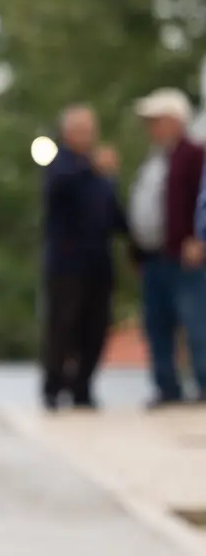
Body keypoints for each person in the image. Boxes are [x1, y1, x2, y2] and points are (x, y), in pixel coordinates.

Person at [40, 105, 130, 411]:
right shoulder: (62, 165)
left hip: (98, 262)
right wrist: (92, 166)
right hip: (67, 264)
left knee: (95, 327)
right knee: (63, 327)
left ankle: (83, 387)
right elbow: (58, 188)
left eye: (90, 130)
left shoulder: (101, 174)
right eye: (79, 130)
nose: (86, 136)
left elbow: (113, 212)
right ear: (66, 133)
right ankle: (53, 387)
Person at [129, 88, 206, 407]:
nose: (150, 127)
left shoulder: (195, 155)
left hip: (185, 256)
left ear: (174, 120)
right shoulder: (155, 158)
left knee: (196, 323)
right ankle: (167, 388)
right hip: (154, 257)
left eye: (156, 120)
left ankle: (203, 384)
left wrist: (200, 238)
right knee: (157, 326)